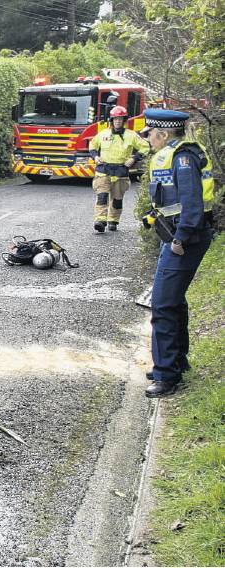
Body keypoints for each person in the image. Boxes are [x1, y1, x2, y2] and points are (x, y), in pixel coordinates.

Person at [142, 108, 215, 397]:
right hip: (176, 235)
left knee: (162, 304)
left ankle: (166, 375)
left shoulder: (182, 157)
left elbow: (192, 205)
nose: (147, 138)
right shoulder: (174, 154)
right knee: (173, 300)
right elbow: (171, 198)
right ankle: (176, 362)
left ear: (163, 133)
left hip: (184, 239)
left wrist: (180, 239)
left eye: (150, 133)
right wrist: (153, 217)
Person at [89, 105, 150, 233]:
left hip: (121, 171)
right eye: (115, 119)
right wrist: (95, 157)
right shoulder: (103, 134)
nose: (117, 121)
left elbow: (145, 147)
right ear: (111, 120)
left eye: (120, 119)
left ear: (124, 120)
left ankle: (113, 220)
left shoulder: (131, 135)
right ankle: (100, 221)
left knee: (117, 199)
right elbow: (92, 146)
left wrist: (134, 158)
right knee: (102, 196)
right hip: (103, 170)